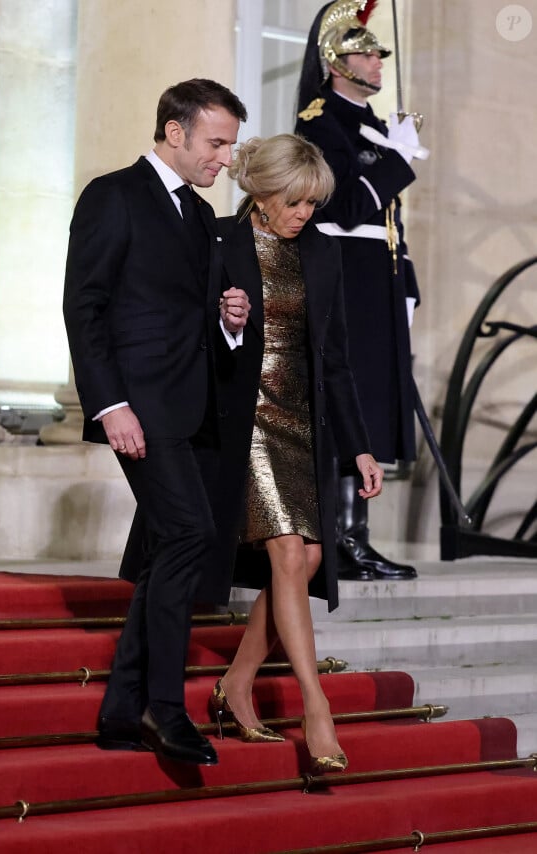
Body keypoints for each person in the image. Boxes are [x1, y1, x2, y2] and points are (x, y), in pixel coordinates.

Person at [63, 78, 249, 766]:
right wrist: (109, 405)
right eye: (216, 141)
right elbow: (83, 309)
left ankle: (121, 709)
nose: (225, 157)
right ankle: (162, 707)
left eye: (229, 144)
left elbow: (197, 321)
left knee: (169, 550)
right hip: (137, 407)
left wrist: (230, 324)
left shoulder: (201, 217)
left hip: (192, 408)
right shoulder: (112, 196)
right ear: (175, 131)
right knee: (190, 534)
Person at [211, 134, 383, 772]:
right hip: (244, 418)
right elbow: (194, 335)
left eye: (312, 202)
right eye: (294, 200)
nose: (304, 213)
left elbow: (336, 359)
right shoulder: (220, 242)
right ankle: (317, 707)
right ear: (260, 191)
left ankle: (235, 682)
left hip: (301, 422)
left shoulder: (322, 252)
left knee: (309, 556)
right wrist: (226, 321)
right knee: (288, 550)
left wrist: (360, 449)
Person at [295, 0, 424, 581]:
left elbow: (387, 220)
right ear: (335, 61)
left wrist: (407, 276)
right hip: (345, 271)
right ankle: (341, 539)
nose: (377, 61)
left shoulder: (371, 124)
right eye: (365, 53)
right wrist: (395, 160)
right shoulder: (321, 123)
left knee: (372, 400)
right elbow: (343, 207)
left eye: (377, 53)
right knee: (351, 398)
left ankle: (357, 535)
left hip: (377, 276)